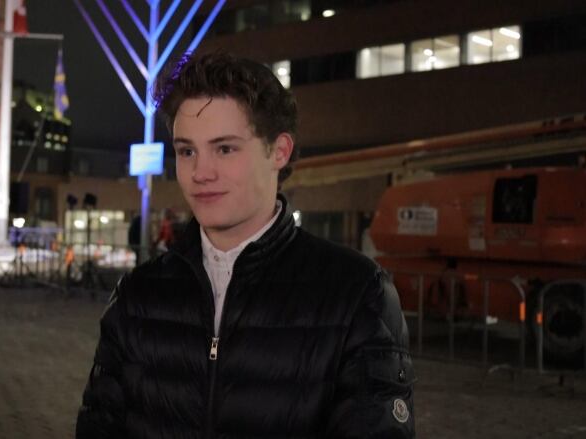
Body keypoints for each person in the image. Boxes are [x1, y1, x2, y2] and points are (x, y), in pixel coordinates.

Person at [76, 52, 415, 438]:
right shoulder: (137, 295)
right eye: (187, 151)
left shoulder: (356, 294)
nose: (200, 173)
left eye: (225, 148)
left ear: (279, 151)